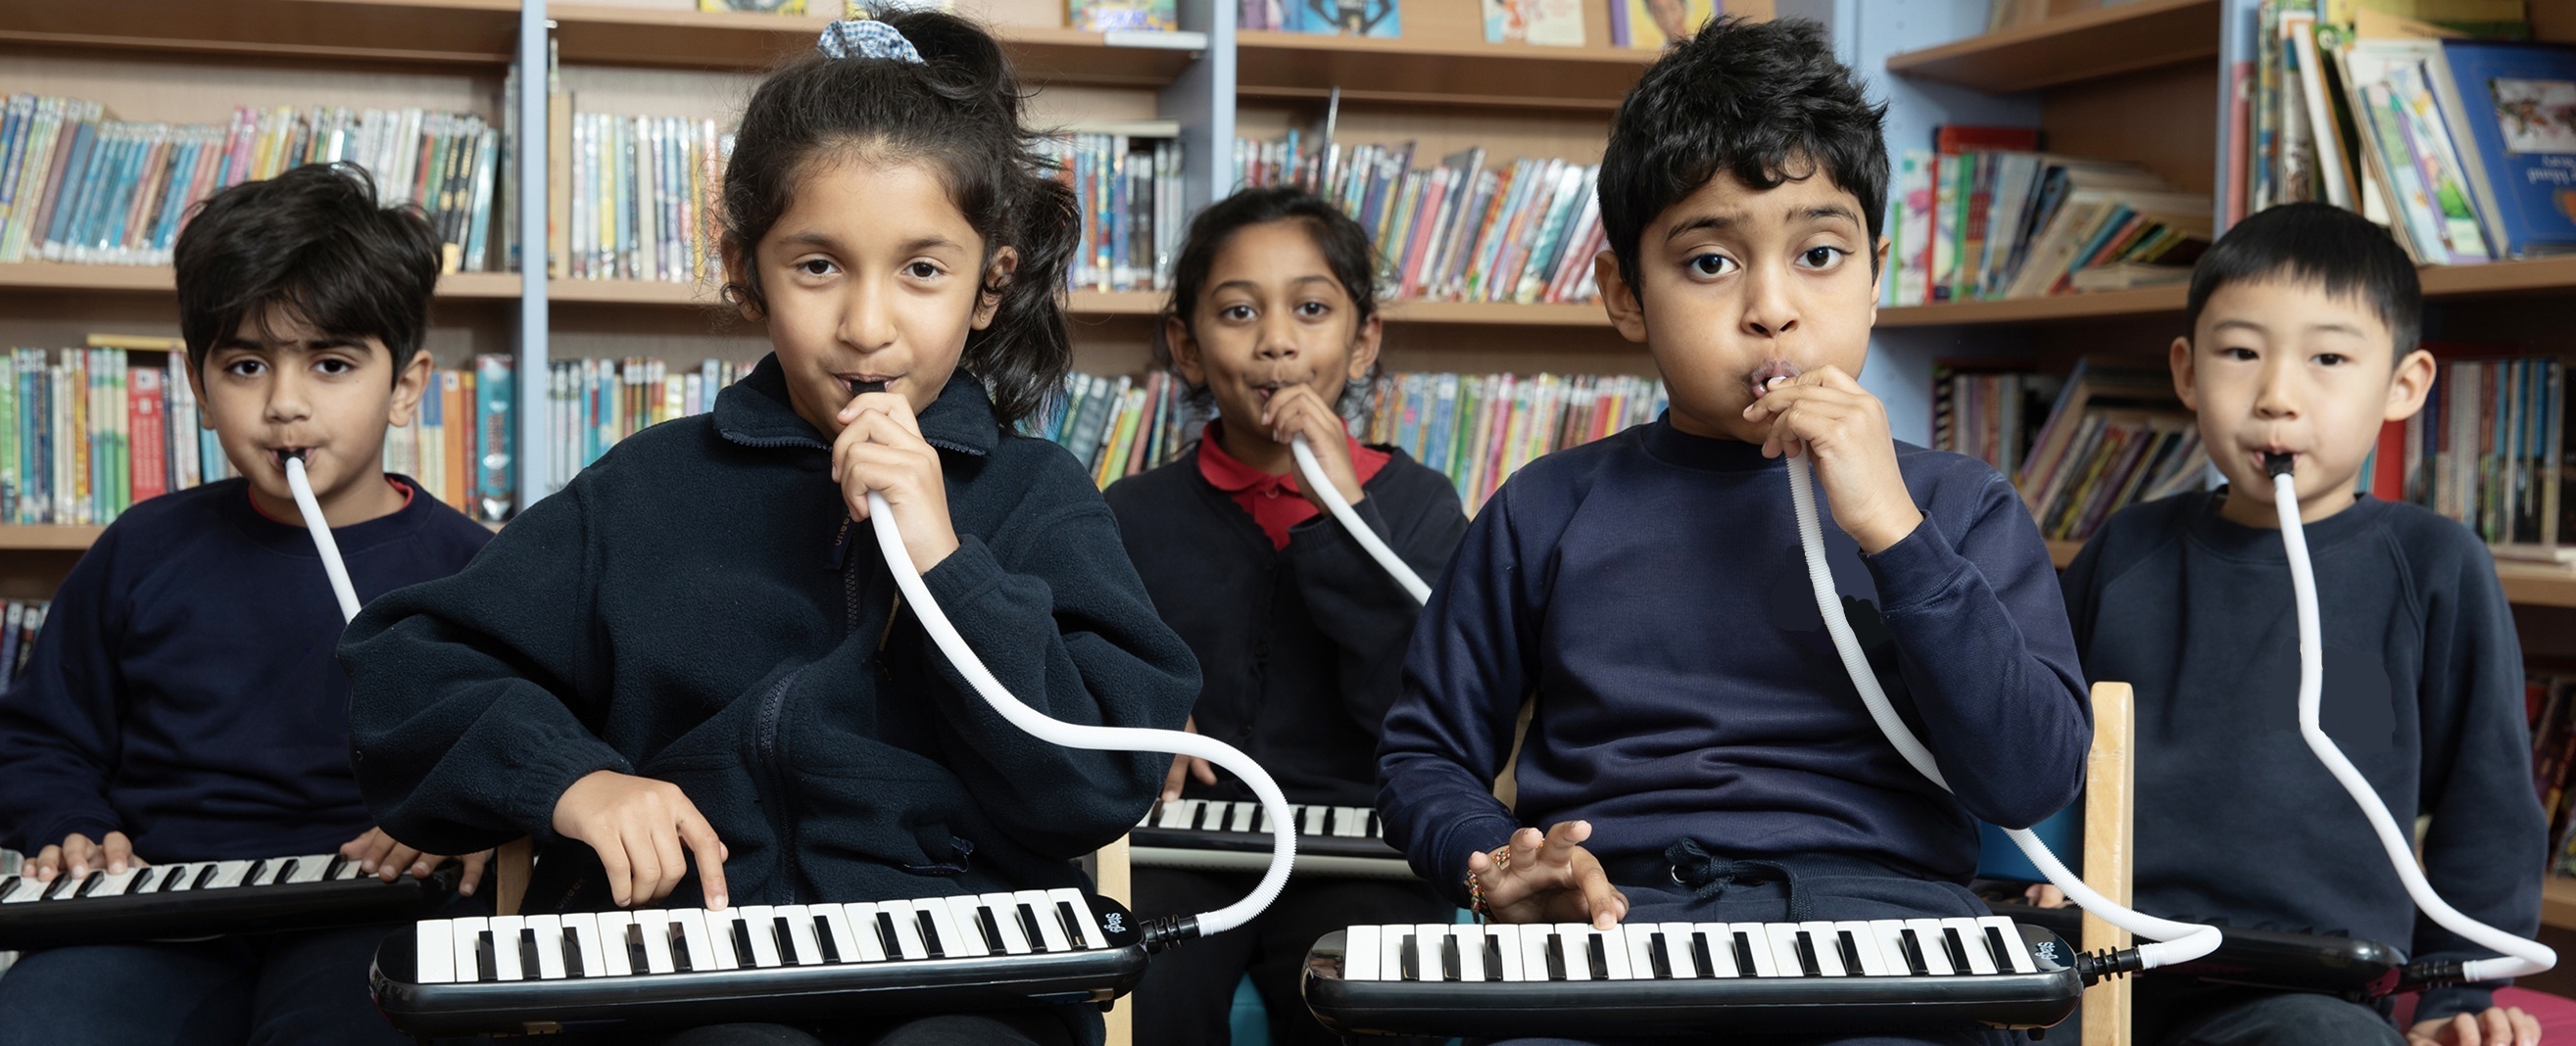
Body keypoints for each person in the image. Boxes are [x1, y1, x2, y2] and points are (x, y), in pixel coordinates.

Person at [340, 14, 1201, 1045]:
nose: (867, 326)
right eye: (818, 267)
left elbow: (1096, 785)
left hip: (971, 976)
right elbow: (405, 674)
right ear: (745, 270)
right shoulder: (643, 488)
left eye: (923, 271)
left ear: (991, 286)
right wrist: (575, 781)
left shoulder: (1038, 496)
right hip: (695, 969)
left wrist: (946, 563)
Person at [1374, 18, 2093, 1045]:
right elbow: (1426, 756)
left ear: (1876, 276)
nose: (1771, 309)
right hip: (1620, 937)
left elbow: (2030, 779)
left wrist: (1895, 532)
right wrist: (1492, 865)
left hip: (1884, 949)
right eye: (1710, 262)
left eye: (1820, 255)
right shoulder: (1545, 508)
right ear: (1626, 295)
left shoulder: (1959, 506)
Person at [0, 162, 497, 1046]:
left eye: (332, 364)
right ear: (198, 386)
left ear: (406, 387)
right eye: (247, 365)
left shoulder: (476, 572)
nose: (284, 405)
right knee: (42, 1027)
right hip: (155, 916)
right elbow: (44, 739)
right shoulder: (142, 551)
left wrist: (473, 819)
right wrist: (70, 827)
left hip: (375, 907)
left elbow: (529, 750)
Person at [2054, 202, 2545, 1046]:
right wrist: (2045, 878)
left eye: (2328, 358)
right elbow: (2044, 743)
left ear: (2404, 385)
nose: (2276, 397)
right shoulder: (2127, 549)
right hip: (2104, 960)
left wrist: (2453, 998)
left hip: (2312, 991)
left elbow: (2488, 808)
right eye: (2240, 353)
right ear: (2186, 371)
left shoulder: (2435, 565)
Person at [1105, 185, 1465, 1046]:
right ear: (1187, 347)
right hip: (1182, 846)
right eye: (1239, 311)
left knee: (1367, 1005)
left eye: (1311, 309)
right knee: (1139, 984)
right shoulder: (1129, 512)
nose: (1276, 340)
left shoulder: (1419, 506)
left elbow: (1419, 702)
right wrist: (1139, 700)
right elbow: (1089, 655)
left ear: (1363, 340)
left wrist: (1345, 513)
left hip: (1366, 852)